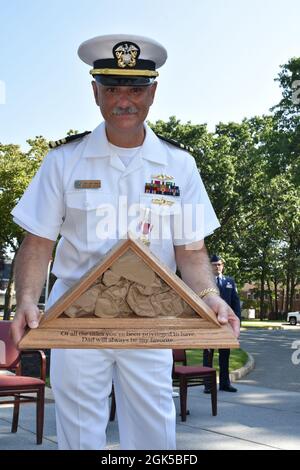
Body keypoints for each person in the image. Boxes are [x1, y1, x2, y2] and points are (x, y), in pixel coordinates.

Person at [11, 34, 240, 450]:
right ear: (94, 91)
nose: (124, 101)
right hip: (75, 315)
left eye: (135, 89)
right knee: (79, 433)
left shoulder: (179, 165)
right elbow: (38, 241)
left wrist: (208, 295)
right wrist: (26, 297)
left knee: (153, 432)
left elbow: (191, 250)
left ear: (152, 92)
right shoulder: (63, 160)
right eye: (112, 88)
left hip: (149, 314)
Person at [203, 255, 241, 393]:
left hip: (226, 325)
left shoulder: (230, 282)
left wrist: (238, 323)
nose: (217, 267)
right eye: (214, 264)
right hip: (209, 325)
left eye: (219, 264)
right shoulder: (205, 283)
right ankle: (208, 385)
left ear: (222, 266)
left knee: (225, 355)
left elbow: (235, 303)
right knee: (208, 355)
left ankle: (225, 383)